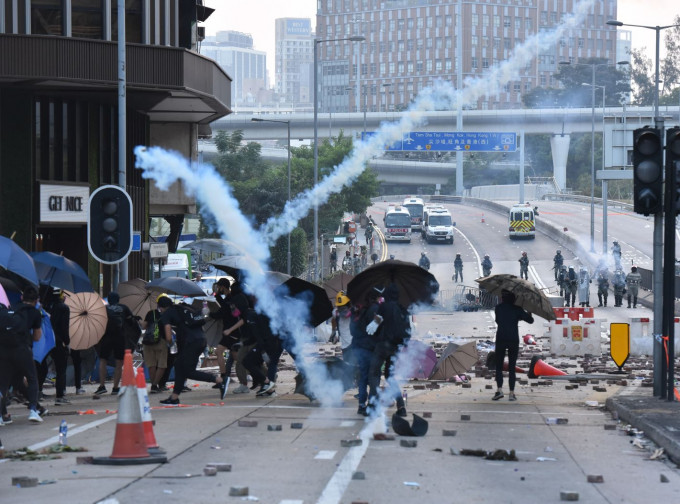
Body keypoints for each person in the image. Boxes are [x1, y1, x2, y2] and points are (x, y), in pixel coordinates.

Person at [156, 296, 227, 405]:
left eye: (159, 308)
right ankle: (174, 397)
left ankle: (219, 380)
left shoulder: (167, 314)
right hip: (201, 340)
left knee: (188, 371)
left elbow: (169, 336)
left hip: (190, 343)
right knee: (179, 366)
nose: (159, 310)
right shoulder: (183, 308)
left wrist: (171, 345)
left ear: (161, 307)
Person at [0, 286, 44, 422]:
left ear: (21, 297)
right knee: (32, 378)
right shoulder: (35, 313)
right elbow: (37, 337)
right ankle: (33, 410)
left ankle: (1, 415)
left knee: (4, 383)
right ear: (36, 300)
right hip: (22, 350)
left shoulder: (11, 308)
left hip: (5, 350)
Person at [366, 283, 410, 417]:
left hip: (383, 346)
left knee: (374, 373)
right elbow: (408, 330)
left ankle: (372, 405)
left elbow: (376, 323)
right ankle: (401, 406)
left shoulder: (383, 307)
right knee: (391, 377)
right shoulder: (403, 309)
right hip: (396, 347)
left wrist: (373, 325)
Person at [492, 290, 534, 402]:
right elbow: (530, 320)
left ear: (503, 298)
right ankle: (511, 393)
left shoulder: (498, 308)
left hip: (501, 338)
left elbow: (498, 321)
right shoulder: (517, 309)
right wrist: (529, 310)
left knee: (499, 367)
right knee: (511, 367)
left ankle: (499, 390)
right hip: (513, 339)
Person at [211, 278, 250, 394]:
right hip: (229, 332)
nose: (217, 289)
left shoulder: (233, 299)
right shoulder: (229, 298)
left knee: (239, 358)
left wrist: (209, 313)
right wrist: (217, 296)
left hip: (232, 332)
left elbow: (223, 312)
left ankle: (257, 374)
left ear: (223, 286)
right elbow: (225, 308)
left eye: (219, 287)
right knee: (222, 353)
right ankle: (223, 378)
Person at [94, 292, 135, 396]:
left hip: (106, 337)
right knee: (119, 362)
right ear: (118, 299)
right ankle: (115, 387)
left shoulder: (104, 309)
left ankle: (102, 386)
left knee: (103, 360)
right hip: (120, 337)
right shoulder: (124, 308)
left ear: (109, 300)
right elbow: (131, 322)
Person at [351, 287, 381, 416]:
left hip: (358, 348)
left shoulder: (358, 310)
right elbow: (376, 331)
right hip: (370, 349)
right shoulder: (374, 310)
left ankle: (361, 405)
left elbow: (352, 330)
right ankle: (372, 404)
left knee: (362, 378)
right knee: (374, 378)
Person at [44, 289, 71, 405]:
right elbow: (65, 328)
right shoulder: (64, 308)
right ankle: (60, 396)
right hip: (60, 343)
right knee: (61, 370)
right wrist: (67, 341)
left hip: (50, 341)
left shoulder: (49, 307)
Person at [141, 299, 167, 393]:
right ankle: (155, 385)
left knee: (151, 365)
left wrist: (139, 320)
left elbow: (144, 326)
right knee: (162, 365)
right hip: (161, 341)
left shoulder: (151, 313)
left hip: (148, 342)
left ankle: (153, 386)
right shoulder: (167, 314)